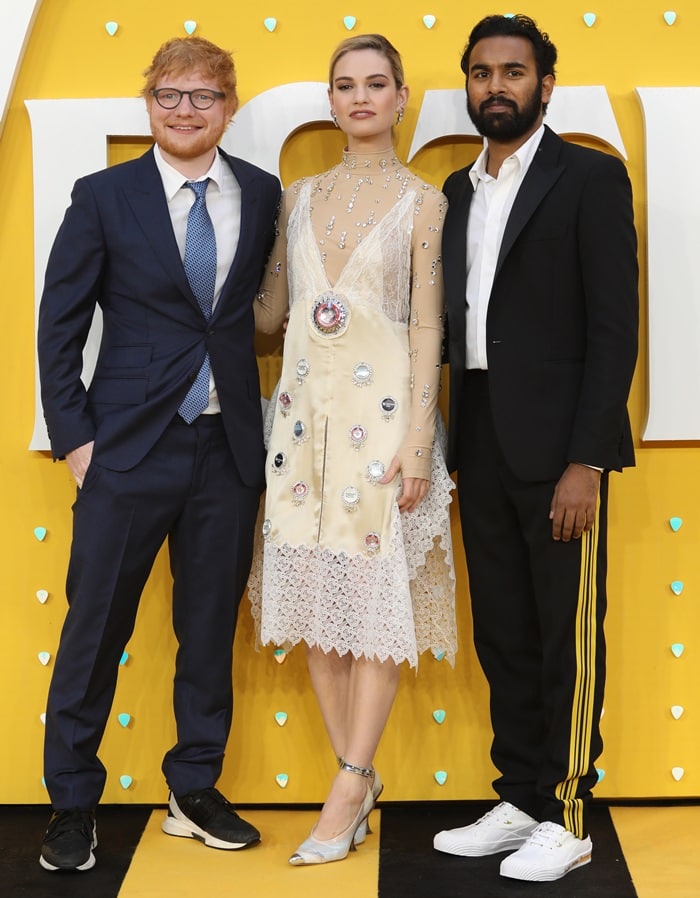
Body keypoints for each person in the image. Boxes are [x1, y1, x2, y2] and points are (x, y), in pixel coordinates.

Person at [37, 36, 280, 872]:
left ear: (230, 107)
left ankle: (194, 786)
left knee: (207, 631)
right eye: (170, 95)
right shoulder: (104, 196)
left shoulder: (263, 192)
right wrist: (75, 438)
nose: (185, 110)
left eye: (203, 97)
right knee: (93, 629)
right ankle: (72, 800)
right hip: (126, 454)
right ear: (148, 105)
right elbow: (59, 325)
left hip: (227, 453)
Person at [432, 14, 638, 883]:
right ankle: (519, 794)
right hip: (478, 441)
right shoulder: (453, 191)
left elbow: (613, 324)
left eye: (512, 72)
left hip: (561, 458)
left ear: (545, 84)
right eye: (481, 74)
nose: (496, 87)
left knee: (567, 637)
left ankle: (568, 811)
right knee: (506, 636)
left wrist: (587, 460)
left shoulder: (589, 178)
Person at [250, 33, 457, 866]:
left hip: (381, 434)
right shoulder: (295, 198)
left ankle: (349, 782)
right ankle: (355, 777)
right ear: (330, 100)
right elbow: (270, 314)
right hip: (301, 436)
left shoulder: (424, 202)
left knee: (373, 614)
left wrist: (417, 445)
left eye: (377, 84)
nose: (361, 97)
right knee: (319, 616)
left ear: (402, 97)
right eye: (345, 85)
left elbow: (429, 328)